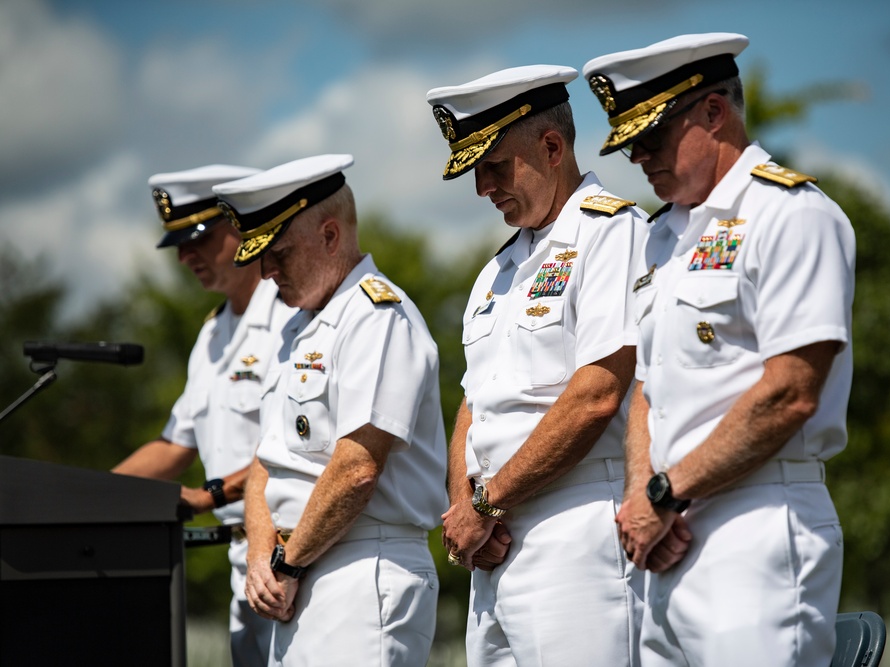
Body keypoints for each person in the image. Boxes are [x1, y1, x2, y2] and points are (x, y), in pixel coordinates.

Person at [583, 33, 856, 666]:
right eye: (629, 142)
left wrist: (662, 495)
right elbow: (648, 388)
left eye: (652, 135)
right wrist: (641, 499)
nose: (638, 156)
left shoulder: (790, 214)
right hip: (666, 537)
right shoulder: (662, 238)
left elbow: (790, 393)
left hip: (757, 524)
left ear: (714, 113)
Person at [426, 64, 658, 666]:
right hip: (493, 546)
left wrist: (485, 506)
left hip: (576, 534)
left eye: (495, 166)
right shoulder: (496, 270)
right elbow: (473, 403)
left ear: (552, 147)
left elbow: (598, 394)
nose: (483, 188)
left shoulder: (613, 233)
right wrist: (465, 511)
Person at [213, 154, 448, 666]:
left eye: (280, 253)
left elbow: (357, 469)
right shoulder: (298, 329)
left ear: (331, 236)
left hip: (364, 567)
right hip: (297, 572)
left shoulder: (376, 316)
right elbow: (265, 462)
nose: (267, 272)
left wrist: (285, 564)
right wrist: (261, 555)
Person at [113, 163, 296, 667]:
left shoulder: (291, 315)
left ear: (242, 227)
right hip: (242, 557)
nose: (186, 257)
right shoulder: (212, 335)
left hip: (297, 551)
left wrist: (209, 495)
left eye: (199, 239)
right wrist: (91, 495)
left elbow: (294, 444)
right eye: (178, 247)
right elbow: (175, 445)